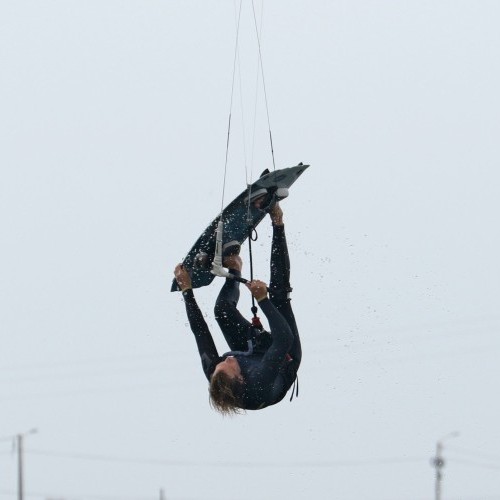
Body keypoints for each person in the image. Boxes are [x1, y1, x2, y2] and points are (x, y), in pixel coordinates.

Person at [174, 201, 301, 415]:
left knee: (222, 311)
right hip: (284, 354)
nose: (227, 358)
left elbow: (200, 332)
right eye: (229, 364)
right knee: (279, 298)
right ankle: (277, 220)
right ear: (240, 378)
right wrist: (263, 300)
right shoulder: (259, 380)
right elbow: (283, 339)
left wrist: (187, 291)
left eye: (220, 365)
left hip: (256, 355)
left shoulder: (216, 371)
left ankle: (234, 266)